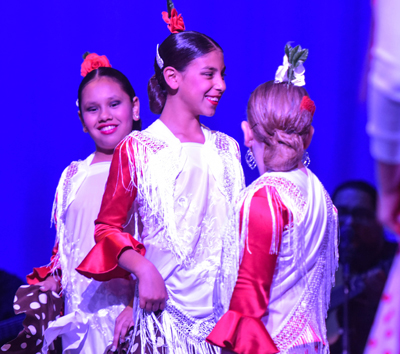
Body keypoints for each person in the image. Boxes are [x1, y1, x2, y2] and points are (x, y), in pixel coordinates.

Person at [76, 4, 244, 354]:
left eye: (223, 75)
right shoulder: (139, 148)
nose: (221, 85)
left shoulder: (226, 148)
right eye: (209, 74)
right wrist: (143, 268)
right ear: (172, 78)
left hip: (221, 322)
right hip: (164, 321)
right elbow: (107, 229)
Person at [1, 53, 142, 354]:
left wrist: (138, 306)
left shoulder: (148, 168)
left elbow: (159, 244)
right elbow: (66, 246)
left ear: (135, 106)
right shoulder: (73, 175)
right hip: (79, 316)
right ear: (82, 119)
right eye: (93, 109)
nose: (104, 115)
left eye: (114, 104)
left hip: (130, 317)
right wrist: (54, 281)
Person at [206, 44, 339, 354]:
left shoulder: (266, 197)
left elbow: (249, 299)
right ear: (308, 136)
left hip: (271, 344)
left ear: (247, 133)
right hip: (312, 344)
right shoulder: (320, 192)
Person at [326, 181, 397, 354]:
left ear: (379, 220)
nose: (350, 223)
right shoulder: (316, 262)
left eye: (361, 215)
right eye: (341, 213)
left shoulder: (395, 263)